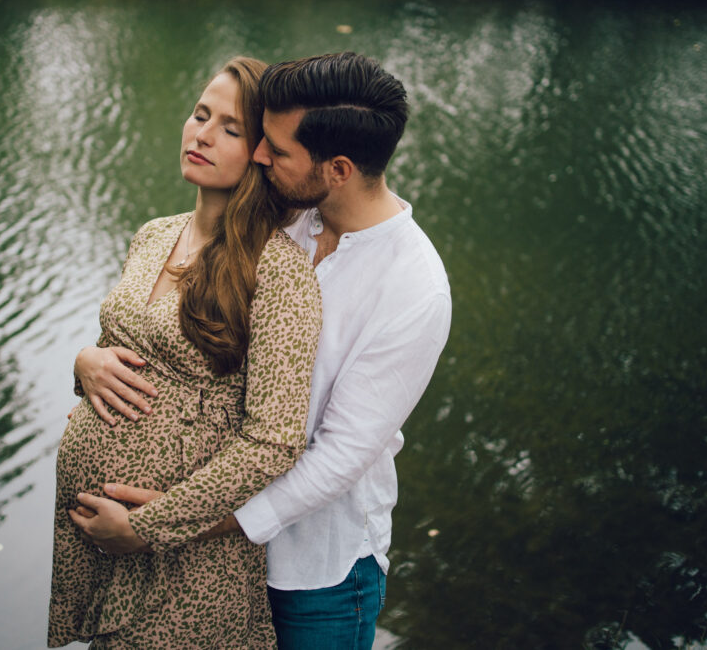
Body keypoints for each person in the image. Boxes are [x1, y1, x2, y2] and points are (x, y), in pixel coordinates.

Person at [71, 52, 452, 649]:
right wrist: (88, 363)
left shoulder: (414, 290)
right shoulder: (281, 214)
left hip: (314, 574)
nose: (257, 156)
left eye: (274, 148)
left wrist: (169, 525)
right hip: (208, 558)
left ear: (338, 168)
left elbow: (337, 457)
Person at [48, 57, 322, 648]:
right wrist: (83, 365)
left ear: (262, 154)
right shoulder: (152, 235)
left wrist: (149, 527)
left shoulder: (280, 272)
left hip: (188, 564)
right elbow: (118, 351)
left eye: (230, 127)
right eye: (200, 114)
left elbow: (274, 442)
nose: (201, 134)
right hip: (104, 542)